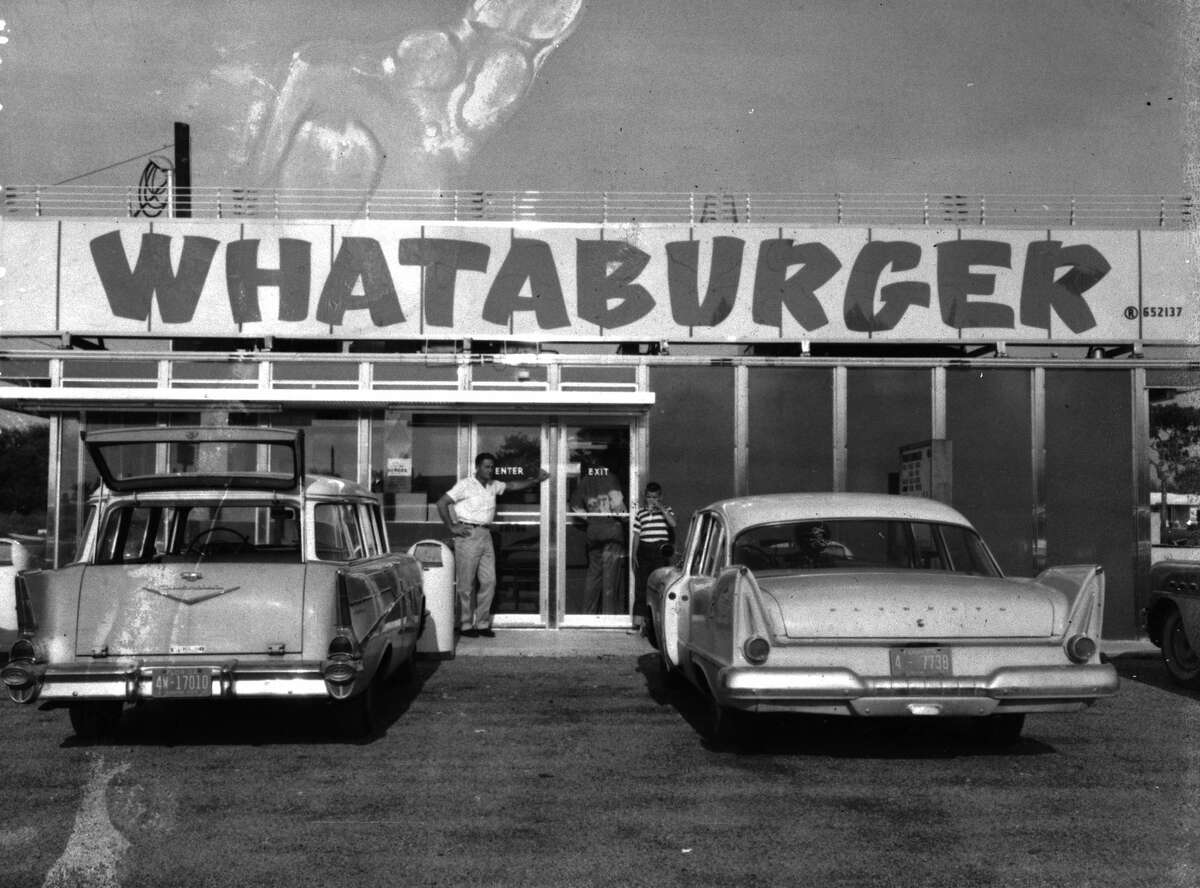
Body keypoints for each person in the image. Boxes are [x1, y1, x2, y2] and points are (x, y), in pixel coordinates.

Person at [437, 453, 549, 638]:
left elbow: (513, 485)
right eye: (486, 467)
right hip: (468, 534)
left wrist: (535, 480)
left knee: (489, 581)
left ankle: (482, 623)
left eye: (492, 467)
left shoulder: (493, 485)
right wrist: (452, 526)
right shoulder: (465, 485)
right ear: (477, 467)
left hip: (486, 535)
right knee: (466, 584)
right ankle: (465, 625)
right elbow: (442, 503)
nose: (490, 470)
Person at [631, 482, 676, 633]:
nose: (652, 500)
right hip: (644, 550)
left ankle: (657, 622)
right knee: (641, 586)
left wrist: (661, 508)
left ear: (660, 497)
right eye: (649, 497)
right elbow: (637, 535)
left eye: (655, 497)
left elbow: (673, 523)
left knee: (659, 585)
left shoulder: (666, 511)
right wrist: (634, 553)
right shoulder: (640, 513)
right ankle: (638, 623)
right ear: (645, 497)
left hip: (659, 551)